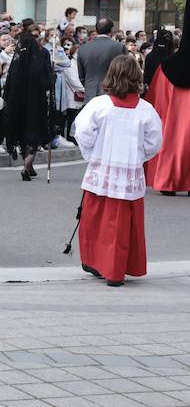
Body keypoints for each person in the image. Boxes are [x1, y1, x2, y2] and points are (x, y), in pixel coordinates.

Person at [74, 55, 164, 287]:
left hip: (101, 171)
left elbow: (82, 132)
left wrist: (92, 155)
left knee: (96, 221)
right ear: (137, 77)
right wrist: (136, 158)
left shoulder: (99, 105)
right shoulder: (146, 110)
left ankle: (98, 264)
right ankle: (118, 268)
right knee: (121, 225)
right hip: (128, 176)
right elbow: (154, 143)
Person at [145, 9, 190, 195]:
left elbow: (157, 105)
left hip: (171, 123)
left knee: (170, 139)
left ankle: (168, 180)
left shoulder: (167, 67)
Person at [3, 31, 53, 180]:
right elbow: (46, 83)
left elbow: (9, 82)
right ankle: (26, 166)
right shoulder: (40, 59)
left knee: (23, 131)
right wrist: (52, 77)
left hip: (17, 103)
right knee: (33, 133)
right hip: (35, 103)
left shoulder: (17, 60)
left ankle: (29, 166)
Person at [77, 19, 124, 101]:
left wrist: (90, 86)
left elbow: (81, 75)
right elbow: (125, 72)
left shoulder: (83, 48)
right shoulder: (119, 47)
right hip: (112, 95)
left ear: (96, 30)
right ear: (111, 30)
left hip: (90, 94)